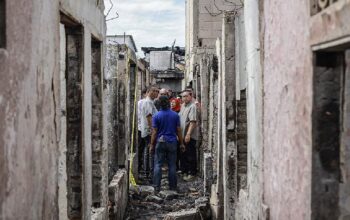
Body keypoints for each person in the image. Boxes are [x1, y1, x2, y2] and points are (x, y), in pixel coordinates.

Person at [150, 96, 184, 192]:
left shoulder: (156, 116)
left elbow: (154, 132)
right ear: (168, 103)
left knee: (158, 164)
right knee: (172, 165)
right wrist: (181, 143)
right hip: (172, 141)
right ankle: (173, 186)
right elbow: (179, 130)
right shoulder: (175, 115)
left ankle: (156, 186)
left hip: (160, 141)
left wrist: (152, 145)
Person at [179, 90, 198, 181]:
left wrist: (188, 134)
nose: (184, 98)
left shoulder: (192, 106)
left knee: (190, 154)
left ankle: (192, 173)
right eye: (183, 96)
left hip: (189, 135)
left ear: (191, 96)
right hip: (182, 135)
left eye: (186, 96)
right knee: (183, 154)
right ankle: (185, 171)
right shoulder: (182, 106)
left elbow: (193, 122)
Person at [140, 85, 159, 179]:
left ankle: (148, 172)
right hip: (149, 131)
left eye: (157, 91)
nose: (156, 93)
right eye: (154, 91)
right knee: (150, 152)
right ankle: (149, 173)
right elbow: (149, 117)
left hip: (148, 130)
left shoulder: (151, 102)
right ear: (149, 92)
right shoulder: (148, 102)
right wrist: (152, 130)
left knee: (148, 151)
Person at [137, 88, 147, 173]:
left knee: (146, 149)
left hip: (147, 129)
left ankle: (144, 167)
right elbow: (139, 116)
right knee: (141, 148)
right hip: (141, 128)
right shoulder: (141, 103)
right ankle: (139, 167)